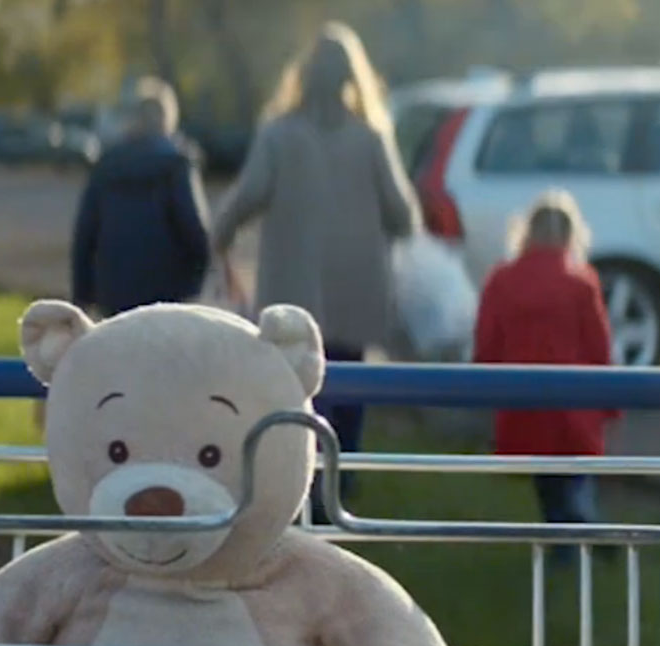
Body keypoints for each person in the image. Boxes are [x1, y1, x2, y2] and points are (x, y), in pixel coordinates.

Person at [210, 21, 420, 517]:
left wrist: (222, 235)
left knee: (297, 387)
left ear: (303, 75)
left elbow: (246, 197)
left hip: (292, 295)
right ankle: (342, 477)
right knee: (348, 382)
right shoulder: (370, 138)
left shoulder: (279, 136)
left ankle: (304, 480)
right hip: (357, 290)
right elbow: (403, 215)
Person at [472, 189, 620, 567]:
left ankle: (567, 539)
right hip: (575, 404)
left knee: (547, 481)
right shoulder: (581, 283)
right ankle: (584, 526)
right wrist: (610, 403)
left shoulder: (503, 280)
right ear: (573, 234)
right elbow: (599, 346)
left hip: (524, 402)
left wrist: (485, 388)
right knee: (574, 476)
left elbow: (488, 341)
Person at [71, 77, 212, 318]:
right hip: (168, 296)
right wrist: (193, 287)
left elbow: (85, 236)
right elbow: (196, 234)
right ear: (169, 119)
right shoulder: (177, 167)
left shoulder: (106, 166)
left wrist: (82, 297)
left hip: (113, 295)